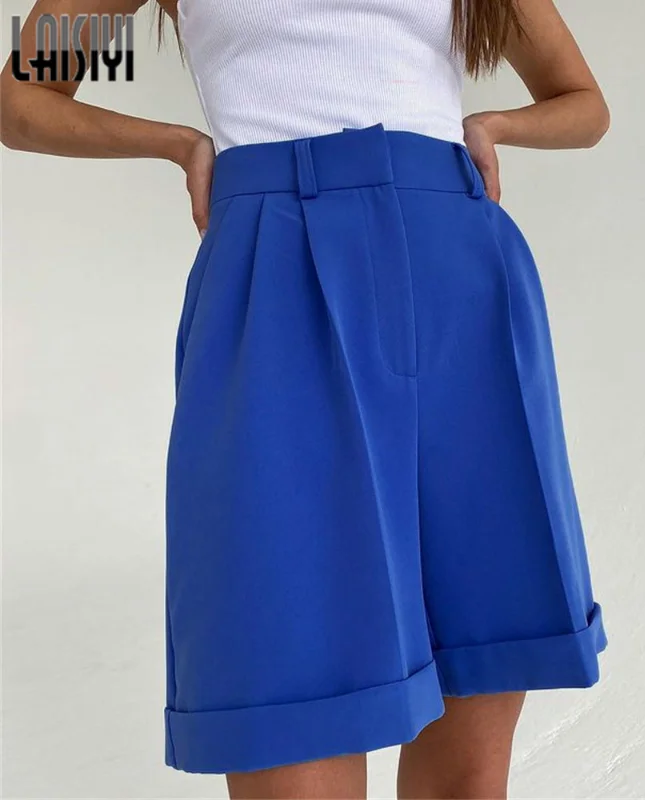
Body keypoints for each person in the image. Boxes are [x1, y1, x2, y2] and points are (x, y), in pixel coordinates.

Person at [1, 1, 610, 797]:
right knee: (280, 672)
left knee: (474, 711)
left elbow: (583, 103)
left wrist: (496, 125)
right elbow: (21, 98)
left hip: (456, 275)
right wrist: (178, 143)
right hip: (272, 273)